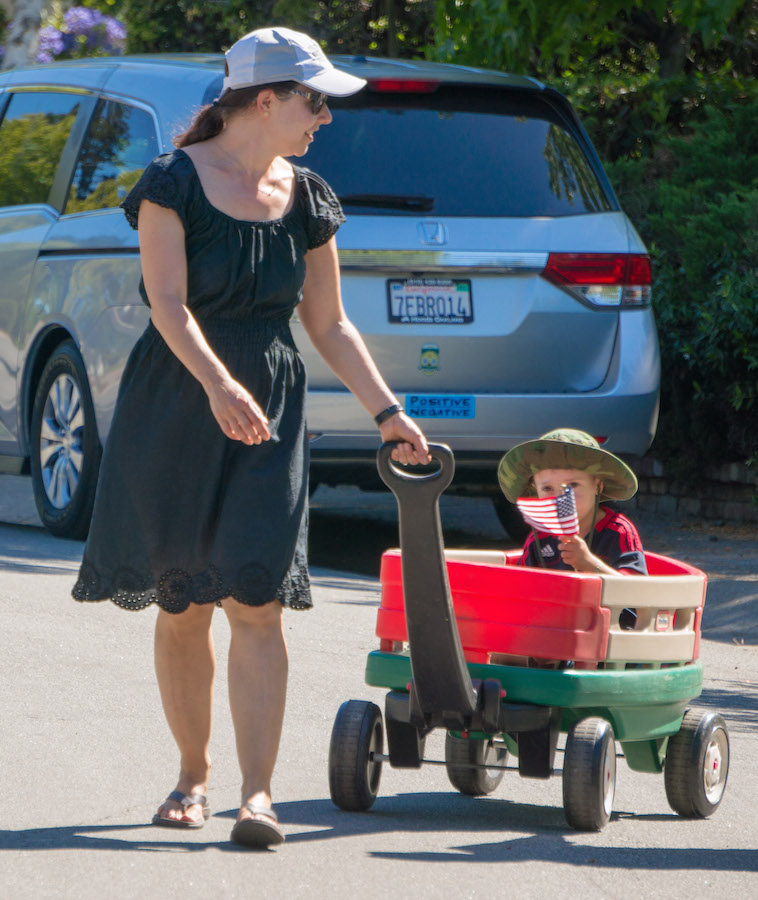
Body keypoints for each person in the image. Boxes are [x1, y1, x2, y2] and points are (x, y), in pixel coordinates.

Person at [71, 26, 429, 850]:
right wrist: (216, 383)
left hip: (269, 409)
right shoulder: (172, 184)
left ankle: (257, 795)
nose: (326, 120)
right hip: (178, 400)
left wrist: (389, 412)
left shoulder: (307, 198)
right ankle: (192, 776)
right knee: (184, 603)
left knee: (259, 601)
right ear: (266, 101)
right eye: (315, 103)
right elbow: (167, 303)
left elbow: (330, 324)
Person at [494, 428, 645, 666]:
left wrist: (589, 564)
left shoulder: (618, 531)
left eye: (573, 485)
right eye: (547, 489)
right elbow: (522, 592)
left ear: (597, 485)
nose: (560, 498)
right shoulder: (539, 538)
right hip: (553, 632)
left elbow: (639, 593)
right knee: (499, 650)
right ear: (535, 490)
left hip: (612, 635)